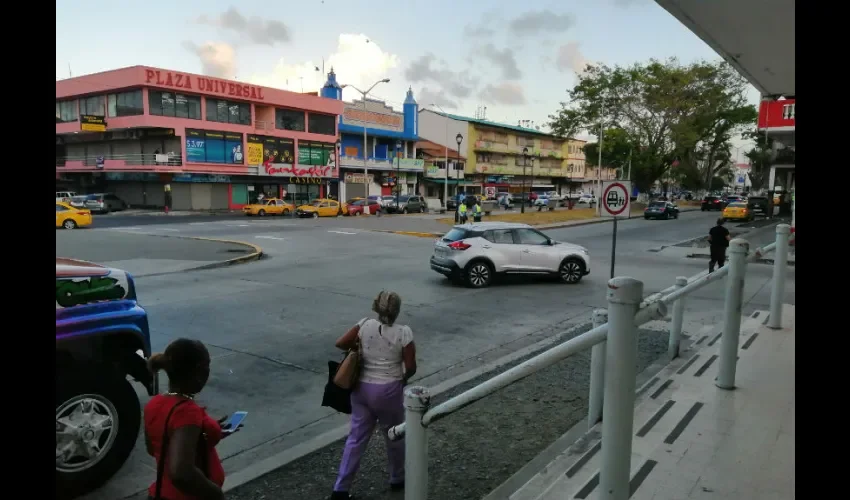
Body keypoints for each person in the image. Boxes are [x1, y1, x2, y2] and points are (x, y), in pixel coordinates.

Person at [330, 291, 417, 500]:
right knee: (394, 435)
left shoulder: (364, 325)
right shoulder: (403, 333)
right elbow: (411, 367)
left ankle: (340, 489)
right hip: (389, 390)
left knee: (356, 438)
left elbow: (340, 343)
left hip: (361, 390)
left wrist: (358, 350)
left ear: (376, 308)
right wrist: (403, 379)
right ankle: (397, 478)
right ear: (397, 311)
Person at [144, 339, 233, 500]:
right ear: (200, 370)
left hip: (159, 493)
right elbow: (181, 472)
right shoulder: (187, 412)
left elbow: (153, 448)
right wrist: (216, 494)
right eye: (208, 366)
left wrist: (205, 432)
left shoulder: (154, 404)